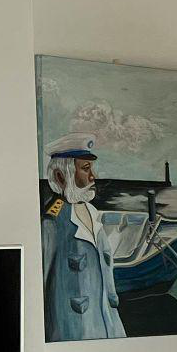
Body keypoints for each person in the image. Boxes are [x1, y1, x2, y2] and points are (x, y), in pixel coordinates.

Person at [42, 137, 125, 340]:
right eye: (86, 168)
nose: (93, 177)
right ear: (62, 176)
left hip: (110, 326)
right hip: (73, 332)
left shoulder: (92, 212)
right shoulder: (52, 221)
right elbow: (40, 282)